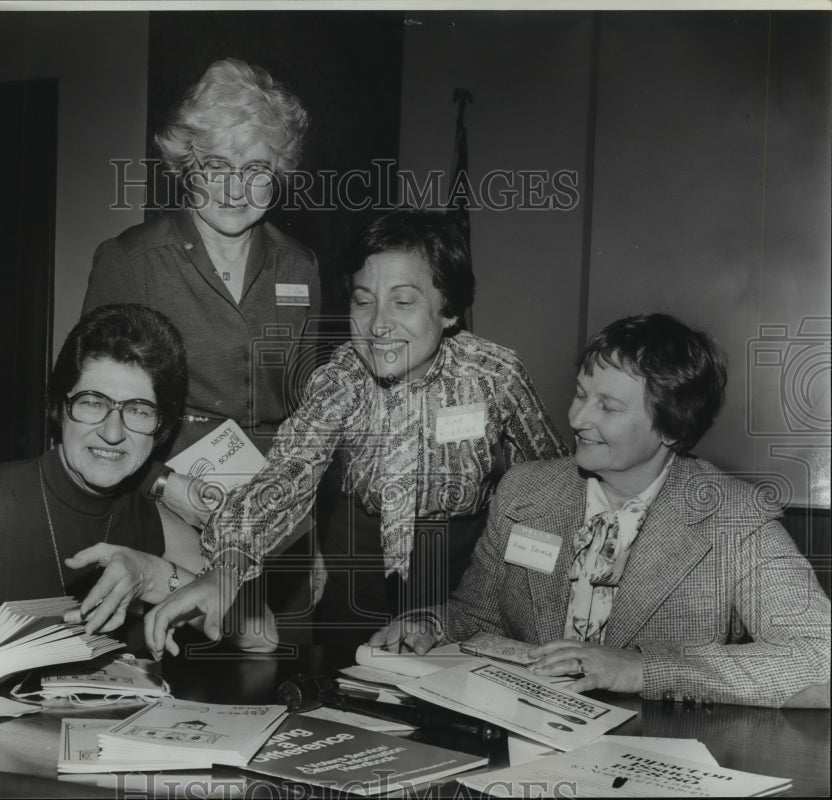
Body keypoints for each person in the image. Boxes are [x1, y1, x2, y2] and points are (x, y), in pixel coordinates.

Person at [145, 209, 569, 657]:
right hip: (359, 565)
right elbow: (288, 474)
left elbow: (553, 484)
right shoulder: (340, 379)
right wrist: (227, 568)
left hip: (464, 572)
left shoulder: (494, 375)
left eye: (403, 302)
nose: (378, 324)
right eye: (363, 301)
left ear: (447, 308)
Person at [370, 313, 831, 708]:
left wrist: (642, 669)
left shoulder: (735, 518)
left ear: (672, 426)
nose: (577, 418)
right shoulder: (524, 491)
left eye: (608, 406)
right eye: (581, 393)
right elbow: (479, 619)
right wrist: (430, 624)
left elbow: (819, 655)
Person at [0, 304, 275, 691]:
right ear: (60, 408)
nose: (112, 432)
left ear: (160, 429)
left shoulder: (154, 521)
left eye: (139, 411)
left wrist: (154, 574)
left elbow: (262, 636)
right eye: (92, 402)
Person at [81, 57, 319, 465]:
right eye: (217, 165)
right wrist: (160, 484)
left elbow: (305, 405)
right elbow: (91, 409)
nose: (234, 188)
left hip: (275, 490)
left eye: (256, 169)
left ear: (278, 173)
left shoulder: (300, 265)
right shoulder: (132, 261)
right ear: (188, 167)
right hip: (164, 480)